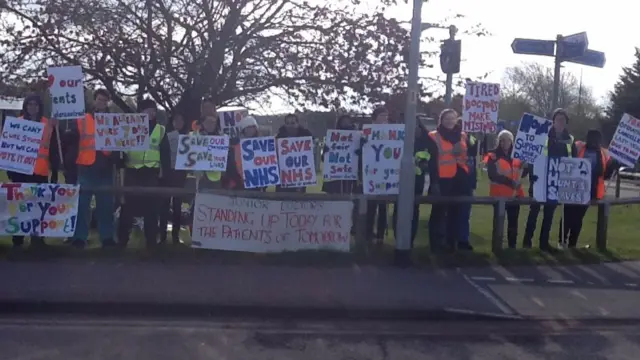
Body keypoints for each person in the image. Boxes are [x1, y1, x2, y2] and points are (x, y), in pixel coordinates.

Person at [117, 99, 171, 248]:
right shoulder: (129, 127)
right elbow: (121, 148)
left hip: (151, 173)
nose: (151, 113)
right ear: (140, 112)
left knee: (151, 210)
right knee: (127, 209)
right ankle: (122, 241)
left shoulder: (160, 129)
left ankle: (151, 242)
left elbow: (165, 154)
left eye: (153, 110)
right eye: (147, 110)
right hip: (132, 171)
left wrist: (163, 174)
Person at [9, 94, 60, 249]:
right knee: (20, 207)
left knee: (39, 208)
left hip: (40, 172)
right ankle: (17, 241)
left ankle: (37, 240)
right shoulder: (16, 124)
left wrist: (55, 170)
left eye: (35, 104)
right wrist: (11, 171)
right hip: (20, 172)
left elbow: (53, 150)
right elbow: (9, 149)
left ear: (40, 107)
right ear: (25, 106)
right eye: (29, 104)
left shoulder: (48, 124)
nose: (32, 107)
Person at [523, 108, 577, 252]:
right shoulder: (542, 134)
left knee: (549, 214)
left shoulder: (570, 139)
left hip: (556, 182)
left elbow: (574, 161)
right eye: (558, 119)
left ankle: (543, 243)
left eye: (563, 120)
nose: (560, 122)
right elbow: (532, 155)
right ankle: (527, 243)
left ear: (566, 123)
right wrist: (532, 174)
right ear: (552, 121)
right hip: (539, 180)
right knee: (534, 212)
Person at [426, 108, 473, 253]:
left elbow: (470, 154)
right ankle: (436, 244)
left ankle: (451, 243)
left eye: (453, 118)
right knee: (439, 212)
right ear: (441, 120)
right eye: (447, 118)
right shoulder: (434, 136)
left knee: (456, 211)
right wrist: (434, 182)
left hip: (460, 178)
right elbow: (432, 161)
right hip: (443, 178)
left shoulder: (463, 136)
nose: (450, 121)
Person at [562, 129, 617, 247]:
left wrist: (615, 165)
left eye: (597, 139)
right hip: (572, 188)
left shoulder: (603, 154)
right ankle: (562, 241)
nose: (594, 141)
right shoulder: (578, 147)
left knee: (578, 218)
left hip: (589, 191)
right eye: (592, 138)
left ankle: (572, 243)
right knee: (567, 216)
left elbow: (605, 174)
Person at [391, 118, 434, 248]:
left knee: (414, 209)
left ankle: (410, 240)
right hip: (397, 178)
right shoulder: (397, 137)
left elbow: (430, 159)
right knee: (398, 209)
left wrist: (424, 164)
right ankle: (398, 239)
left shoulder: (426, 140)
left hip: (417, 180)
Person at [485, 130, 527, 248]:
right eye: (502, 140)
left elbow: (521, 174)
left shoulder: (518, 156)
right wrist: (510, 183)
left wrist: (526, 167)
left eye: (508, 139)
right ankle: (497, 246)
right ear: (498, 141)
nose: (505, 142)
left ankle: (512, 247)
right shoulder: (493, 156)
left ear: (512, 141)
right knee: (499, 223)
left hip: (514, 195)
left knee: (513, 223)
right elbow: (492, 175)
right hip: (499, 195)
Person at [159, 111, 189, 244]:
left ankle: (176, 236)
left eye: (181, 121)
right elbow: (161, 154)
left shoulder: (188, 137)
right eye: (176, 120)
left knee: (177, 206)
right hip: (167, 174)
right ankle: (163, 235)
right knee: (164, 206)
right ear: (172, 122)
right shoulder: (165, 136)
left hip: (180, 175)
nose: (179, 123)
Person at [361, 107, 390, 244]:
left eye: (386, 116)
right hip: (371, 173)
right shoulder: (366, 131)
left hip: (385, 174)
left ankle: (380, 235)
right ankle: (368, 233)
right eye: (382, 116)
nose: (385, 119)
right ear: (375, 117)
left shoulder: (392, 131)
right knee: (371, 206)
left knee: (383, 207)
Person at [222, 116, 265, 191]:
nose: (251, 130)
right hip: (238, 185)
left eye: (253, 127)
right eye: (248, 127)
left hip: (256, 185)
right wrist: (239, 181)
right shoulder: (235, 146)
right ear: (243, 130)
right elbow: (231, 166)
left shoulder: (262, 145)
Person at [275, 113, 314, 193]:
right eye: (288, 123)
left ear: (297, 124)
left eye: (293, 123)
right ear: (285, 124)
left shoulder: (306, 137)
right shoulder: (279, 138)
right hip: (283, 178)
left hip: (300, 178)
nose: (290, 125)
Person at [322, 115, 358, 195]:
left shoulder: (356, 138)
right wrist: (326, 152)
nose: (345, 124)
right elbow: (323, 159)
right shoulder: (331, 138)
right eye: (343, 122)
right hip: (334, 177)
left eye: (347, 122)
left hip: (349, 177)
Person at [457, 118, 478, 250]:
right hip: (456, 181)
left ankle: (463, 240)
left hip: (468, 182)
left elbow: (474, 155)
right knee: (453, 213)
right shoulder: (455, 140)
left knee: (465, 214)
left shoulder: (472, 140)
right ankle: (452, 240)